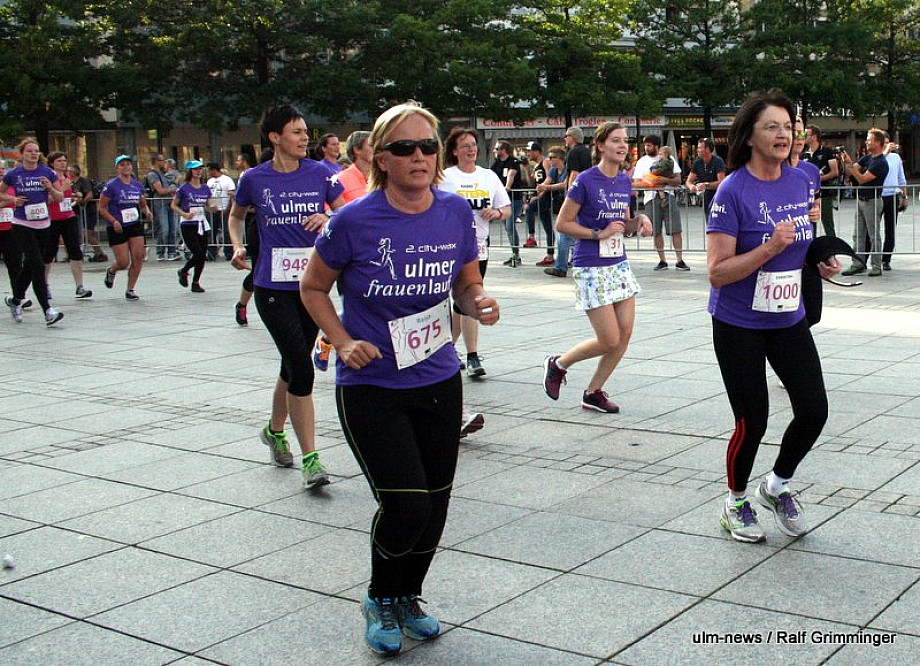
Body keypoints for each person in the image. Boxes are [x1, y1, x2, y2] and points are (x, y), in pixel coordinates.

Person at [301, 100, 499, 658]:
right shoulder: (353, 220)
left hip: (438, 378)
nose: (419, 156)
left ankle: (408, 595)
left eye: (428, 146)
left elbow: (465, 285)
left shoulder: (454, 212)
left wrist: (478, 300)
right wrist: (342, 340)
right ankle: (380, 597)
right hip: (372, 386)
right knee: (407, 504)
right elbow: (312, 288)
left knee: (435, 504)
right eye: (404, 147)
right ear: (381, 158)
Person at [706, 90, 841, 544]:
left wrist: (817, 258)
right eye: (772, 127)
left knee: (814, 410)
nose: (784, 135)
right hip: (738, 323)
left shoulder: (801, 180)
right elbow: (718, 272)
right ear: (749, 136)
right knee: (753, 421)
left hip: (787, 317)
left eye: (788, 127)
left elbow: (800, 241)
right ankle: (735, 502)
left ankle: (777, 485)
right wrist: (769, 248)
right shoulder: (732, 191)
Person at [228, 104, 345, 489]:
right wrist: (237, 245)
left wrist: (328, 218)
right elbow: (236, 215)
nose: (304, 137)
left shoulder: (321, 173)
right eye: (297, 131)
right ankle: (312, 460)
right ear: (275, 137)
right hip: (271, 288)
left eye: (306, 131)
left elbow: (347, 214)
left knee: (291, 364)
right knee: (301, 367)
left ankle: (274, 431)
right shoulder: (254, 178)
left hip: (312, 288)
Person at [542, 122, 652, 414]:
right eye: (615, 140)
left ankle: (593, 392)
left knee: (624, 335)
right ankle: (559, 364)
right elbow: (562, 223)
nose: (622, 145)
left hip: (618, 264)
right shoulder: (586, 180)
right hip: (591, 266)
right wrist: (596, 234)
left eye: (625, 140)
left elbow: (623, 224)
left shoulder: (624, 181)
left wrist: (640, 220)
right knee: (609, 339)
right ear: (601, 146)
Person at [439, 126, 509, 385]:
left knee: (466, 300)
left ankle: (452, 350)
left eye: (473, 145)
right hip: (450, 246)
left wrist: (497, 213)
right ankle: (469, 355)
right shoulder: (445, 178)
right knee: (464, 300)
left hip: (478, 246)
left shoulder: (488, 176)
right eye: (465, 145)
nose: (471, 149)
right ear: (454, 151)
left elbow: (506, 207)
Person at [1, 138, 65, 325]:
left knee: (30, 266)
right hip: (22, 224)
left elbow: (60, 197)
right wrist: (12, 200)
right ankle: (48, 311)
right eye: (29, 151)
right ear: (22, 154)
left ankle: (15, 300)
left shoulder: (47, 172)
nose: (33, 154)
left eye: (36, 151)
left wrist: (50, 188)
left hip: (43, 224)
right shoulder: (14, 174)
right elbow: (1, 192)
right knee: (38, 266)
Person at [99, 155, 153, 300]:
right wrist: (113, 221)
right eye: (122, 165)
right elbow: (102, 208)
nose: (125, 167)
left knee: (138, 257)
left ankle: (130, 289)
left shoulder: (137, 185)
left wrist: (147, 212)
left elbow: (142, 204)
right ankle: (111, 270)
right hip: (117, 226)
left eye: (128, 164)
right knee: (123, 262)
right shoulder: (111, 185)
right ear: (117, 168)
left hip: (134, 224)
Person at [632, 135, 687, 271]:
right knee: (656, 230)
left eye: (649, 145)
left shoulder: (669, 159)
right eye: (645, 145)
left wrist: (663, 180)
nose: (646, 148)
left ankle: (679, 260)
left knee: (675, 229)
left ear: (657, 146)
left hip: (668, 195)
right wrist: (652, 183)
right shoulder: (642, 162)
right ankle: (662, 260)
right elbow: (636, 183)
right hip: (651, 198)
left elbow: (678, 180)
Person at [839, 129, 889, 277]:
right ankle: (858, 263)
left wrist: (850, 165)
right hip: (861, 200)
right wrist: (848, 163)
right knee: (858, 234)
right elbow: (854, 169)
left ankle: (876, 265)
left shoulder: (881, 163)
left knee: (873, 235)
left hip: (872, 201)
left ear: (878, 142)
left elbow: (861, 179)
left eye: (869, 139)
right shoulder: (868, 158)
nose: (866, 142)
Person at [543, 127, 591, 278]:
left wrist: (569, 195)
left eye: (566, 136)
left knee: (563, 230)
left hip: (575, 195)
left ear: (573, 137)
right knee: (577, 230)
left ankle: (561, 266)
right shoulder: (586, 151)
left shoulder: (573, 152)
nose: (564, 138)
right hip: (586, 194)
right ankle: (580, 262)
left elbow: (574, 174)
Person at [44, 152, 92, 299]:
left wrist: (75, 196)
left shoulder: (67, 178)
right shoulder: (48, 179)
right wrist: (63, 189)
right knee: (49, 253)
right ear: (52, 163)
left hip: (68, 216)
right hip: (52, 219)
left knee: (75, 250)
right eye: (59, 161)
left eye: (64, 160)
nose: (63, 163)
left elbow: (65, 197)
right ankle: (44, 285)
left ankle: (79, 286)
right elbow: (47, 199)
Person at [172, 160, 211, 293]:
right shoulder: (184, 188)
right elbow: (173, 205)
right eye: (195, 169)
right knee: (198, 253)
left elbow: (207, 205)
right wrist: (184, 214)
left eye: (200, 169)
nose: (198, 171)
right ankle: (184, 271)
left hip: (201, 223)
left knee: (203, 254)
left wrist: (212, 208)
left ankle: (196, 282)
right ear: (190, 171)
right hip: (188, 224)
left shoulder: (205, 188)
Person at [490, 140, 525, 267]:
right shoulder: (497, 163)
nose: (495, 151)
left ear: (503, 150)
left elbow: (511, 174)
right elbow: (491, 176)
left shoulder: (513, 161)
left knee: (510, 226)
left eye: (497, 149)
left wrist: (507, 186)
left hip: (514, 199)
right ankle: (514, 254)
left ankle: (516, 255)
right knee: (507, 227)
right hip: (503, 201)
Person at [802, 124, 839, 237]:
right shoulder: (803, 154)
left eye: (805, 134)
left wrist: (817, 179)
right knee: (810, 226)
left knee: (828, 225)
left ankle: (832, 247)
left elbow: (835, 171)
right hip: (809, 196)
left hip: (824, 194)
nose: (802, 137)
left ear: (814, 137)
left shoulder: (827, 151)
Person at [0, 165, 27, 312]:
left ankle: (18, 297)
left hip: (11, 230)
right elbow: (14, 201)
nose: (1, 170)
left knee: (15, 265)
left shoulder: (11, 186)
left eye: (2, 168)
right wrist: (11, 201)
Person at [233, 152, 256, 325]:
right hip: (257, 228)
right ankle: (242, 304)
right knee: (258, 271)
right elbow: (239, 211)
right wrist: (237, 246)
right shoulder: (250, 177)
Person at [523, 141, 555, 265]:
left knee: (530, 208)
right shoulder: (536, 166)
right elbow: (531, 183)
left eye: (529, 151)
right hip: (539, 196)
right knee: (548, 228)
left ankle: (531, 237)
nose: (528, 153)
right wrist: (526, 168)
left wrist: (539, 196)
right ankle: (550, 255)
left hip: (546, 197)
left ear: (537, 151)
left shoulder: (545, 162)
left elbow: (549, 179)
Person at [69, 164, 107, 262]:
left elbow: (89, 195)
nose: (68, 173)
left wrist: (82, 202)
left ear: (74, 172)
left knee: (87, 234)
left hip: (89, 210)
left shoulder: (84, 181)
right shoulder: (71, 183)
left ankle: (101, 253)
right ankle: (97, 253)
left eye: (69, 171)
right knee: (87, 234)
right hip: (80, 212)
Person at [880, 135, 907, 271]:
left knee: (890, 229)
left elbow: (901, 177)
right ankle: (867, 258)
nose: (886, 145)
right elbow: (875, 165)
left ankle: (886, 259)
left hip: (892, 195)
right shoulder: (876, 157)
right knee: (871, 230)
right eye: (883, 143)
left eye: (887, 142)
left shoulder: (895, 158)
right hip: (877, 196)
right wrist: (884, 152)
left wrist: (904, 196)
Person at [146, 154, 179, 260]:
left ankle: (172, 252)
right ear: (156, 161)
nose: (164, 162)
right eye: (162, 160)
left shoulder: (163, 173)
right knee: (164, 229)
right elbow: (160, 190)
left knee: (173, 228)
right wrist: (172, 189)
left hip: (169, 202)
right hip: (160, 203)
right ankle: (160, 252)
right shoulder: (152, 174)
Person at [686, 137, 726, 217]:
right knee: (708, 221)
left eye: (700, 147)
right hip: (706, 199)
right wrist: (691, 186)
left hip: (719, 198)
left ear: (707, 149)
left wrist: (705, 185)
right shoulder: (697, 163)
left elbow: (722, 182)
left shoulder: (718, 161)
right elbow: (688, 181)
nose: (697, 150)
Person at [206, 163, 235, 260]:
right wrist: (210, 206)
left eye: (209, 170)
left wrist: (228, 208)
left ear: (214, 170)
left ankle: (229, 252)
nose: (208, 173)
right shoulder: (210, 181)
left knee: (227, 230)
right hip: (214, 207)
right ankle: (212, 252)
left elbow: (231, 194)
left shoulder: (227, 180)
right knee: (211, 231)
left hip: (224, 207)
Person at [337, 131, 372, 203]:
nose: (377, 149)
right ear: (357, 149)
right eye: (371, 145)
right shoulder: (340, 180)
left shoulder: (384, 177)